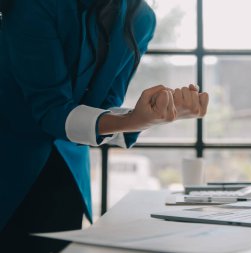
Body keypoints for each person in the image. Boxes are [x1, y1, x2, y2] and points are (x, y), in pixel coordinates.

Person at [0, 0, 209, 252]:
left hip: (68, 174)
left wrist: (154, 116)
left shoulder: (140, 18)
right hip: (9, 168)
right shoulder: (34, 6)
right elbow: (52, 111)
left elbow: (100, 114)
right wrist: (134, 120)